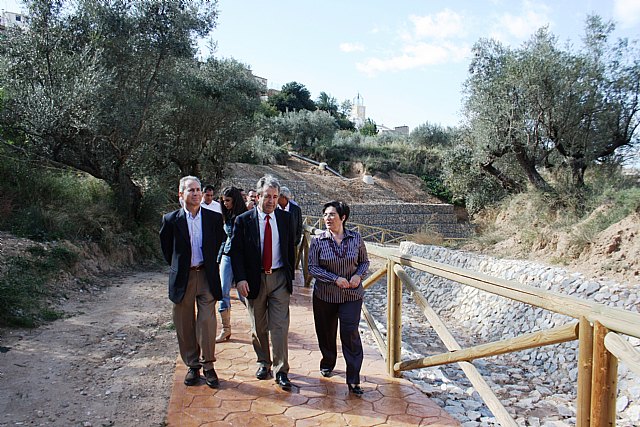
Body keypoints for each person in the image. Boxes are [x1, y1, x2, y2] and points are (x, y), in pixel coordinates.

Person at [230, 175, 296, 391]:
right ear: (258, 196)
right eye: (267, 196)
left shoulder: (285, 219)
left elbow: (290, 249)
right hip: (254, 279)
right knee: (258, 326)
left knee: (279, 326)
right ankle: (263, 362)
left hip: (278, 279)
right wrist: (240, 279)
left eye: (275, 197)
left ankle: (281, 370)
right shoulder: (243, 220)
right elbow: (236, 253)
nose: (271, 201)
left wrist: (289, 277)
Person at [159, 176, 225, 388]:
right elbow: (167, 249)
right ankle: (193, 366)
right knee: (184, 322)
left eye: (198, 190)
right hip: (183, 278)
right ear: (181, 195)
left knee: (206, 321)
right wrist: (180, 265)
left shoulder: (213, 218)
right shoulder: (171, 220)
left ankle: (208, 365)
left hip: (206, 276)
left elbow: (219, 242)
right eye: (191, 190)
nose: (196, 194)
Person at [308, 201, 370, 395]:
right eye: (325, 214)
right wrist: (335, 279)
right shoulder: (318, 240)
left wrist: (359, 275)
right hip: (325, 296)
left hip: (351, 295)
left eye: (332, 214)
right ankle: (328, 362)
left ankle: (353, 379)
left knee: (350, 333)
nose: (327, 218)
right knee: (326, 333)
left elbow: (364, 262)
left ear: (343, 217)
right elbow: (312, 267)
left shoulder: (356, 238)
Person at [215, 186, 247, 343]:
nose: (225, 203)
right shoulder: (226, 215)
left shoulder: (245, 216)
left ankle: (261, 324)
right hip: (227, 255)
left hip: (240, 256)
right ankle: (225, 329)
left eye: (228, 200)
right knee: (223, 291)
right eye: (223, 201)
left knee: (244, 294)